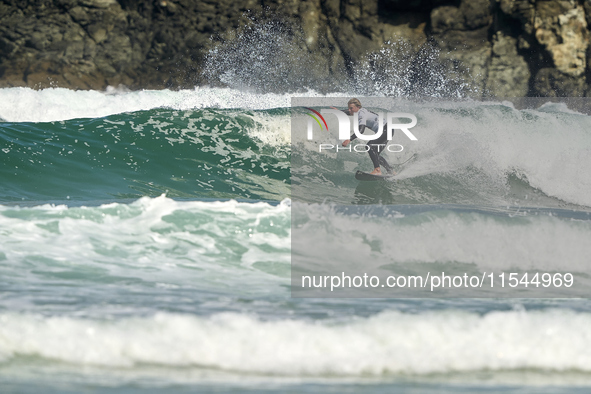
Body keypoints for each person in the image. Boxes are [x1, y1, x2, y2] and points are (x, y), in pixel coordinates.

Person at [334, 98, 394, 176]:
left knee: (369, 146)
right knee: (375, 155)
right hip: (389, 129)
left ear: (358, 107)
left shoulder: (361, 114)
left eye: (351, 108)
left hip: (386, 130)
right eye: (349, 108)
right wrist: (339, 112)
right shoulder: (361, 111)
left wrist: (350, 139)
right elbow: (349, 112)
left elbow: (361, 130)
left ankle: (377, 170)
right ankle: (391, 171)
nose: (349, 110)